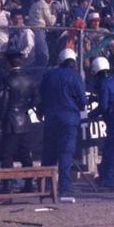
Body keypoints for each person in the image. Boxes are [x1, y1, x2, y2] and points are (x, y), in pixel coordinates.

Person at [39, 49, 86, 196]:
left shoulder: (49, 75)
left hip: (51, 119)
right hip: (69, 119)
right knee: (66, 152)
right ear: (73, 61)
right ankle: (64, 186)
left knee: (49, 152)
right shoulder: (75, 76)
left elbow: (41, 95)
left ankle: (46, 185)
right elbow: (83, 101)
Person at [0, 52, 39, 192]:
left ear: (9, 63)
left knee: (7, 154)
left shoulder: (7, 80)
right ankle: (28, 184)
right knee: (25, 153)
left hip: (11, 120)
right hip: (25, 119)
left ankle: (7, 185)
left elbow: (3, 103)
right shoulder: (29, 79)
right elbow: (36, 99)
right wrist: (25, 107)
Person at [90, 56, 114, 189]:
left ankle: (108, 180)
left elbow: (104, 106)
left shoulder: (103, 83)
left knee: (110, 150)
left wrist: (92, 114)